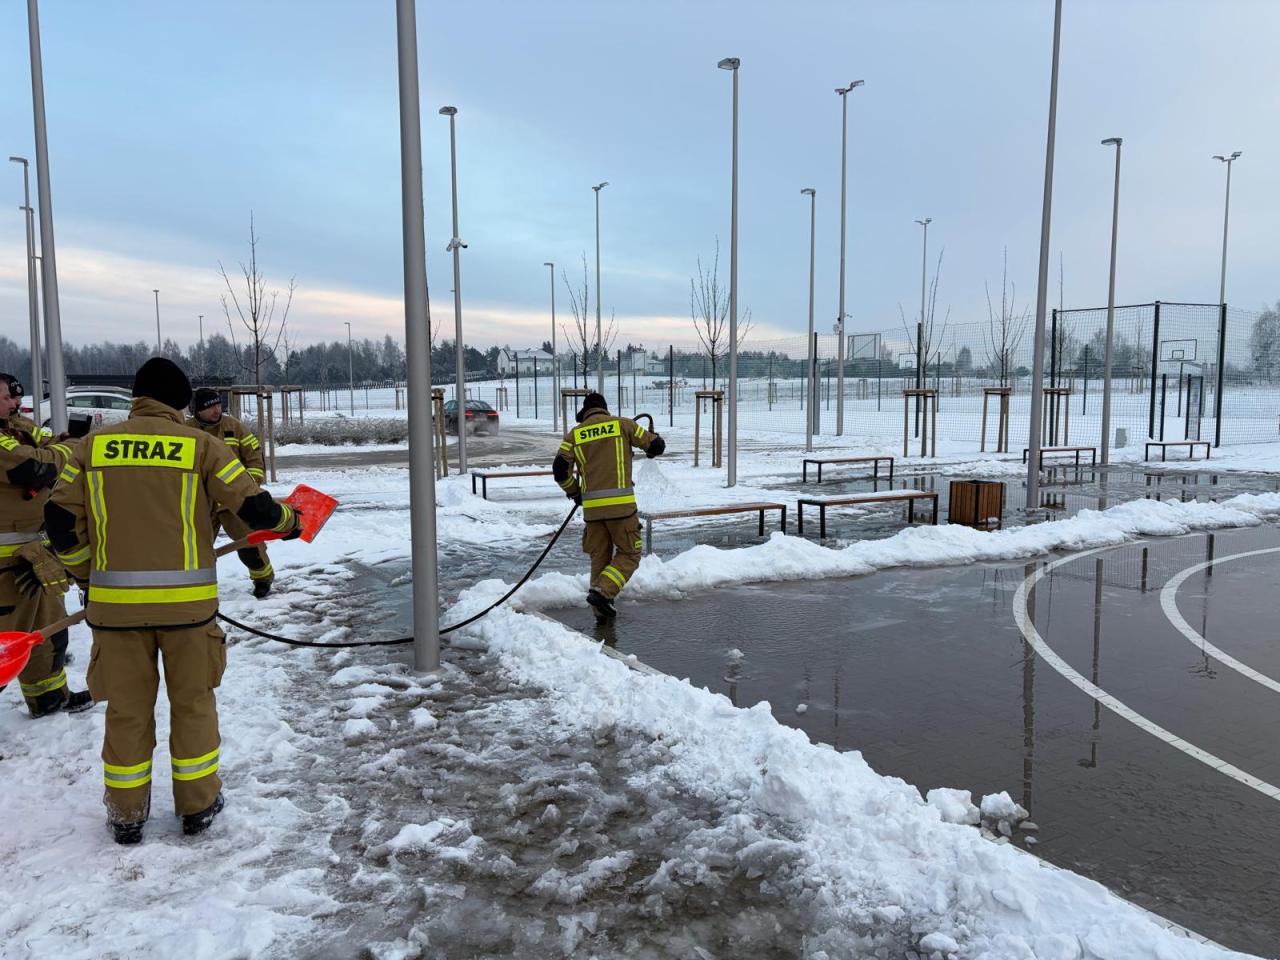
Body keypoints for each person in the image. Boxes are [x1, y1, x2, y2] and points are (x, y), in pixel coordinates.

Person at [45, 358, 301, 844]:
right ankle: (197, 807)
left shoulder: (90, 447)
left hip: (115, 611)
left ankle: (126, 814)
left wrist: (87, 574)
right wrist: (291, 520)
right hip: (188, 613)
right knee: (193, 705)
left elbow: (59, 521)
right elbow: (252, 505)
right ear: (180, 401)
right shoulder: (201, 446)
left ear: (137, 397)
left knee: (125, 711)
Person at [0, 372, 92, 717]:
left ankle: (49, 697)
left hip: (33, 554)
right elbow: (34, 467)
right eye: (8, 397)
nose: (14, 403)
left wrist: (62, 442)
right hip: (4, 565)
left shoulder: (18, 426)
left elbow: (47, 441)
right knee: (5, 644)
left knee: (47, 632)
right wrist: (67, 449)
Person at [552, 392, 664, 620]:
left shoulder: (574, 435)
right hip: (621, 509)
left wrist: (575, 493)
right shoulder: (623, 425)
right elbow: (657, 445)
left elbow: (559, 469)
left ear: (585, 412)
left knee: (599, 558)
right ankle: (603, 593)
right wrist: (653, 441)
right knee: (630, 554)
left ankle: (601, 610)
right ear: (605, 409)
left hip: (592, 512)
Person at [187, 387, 274, 598]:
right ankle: (193, 586)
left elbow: (254, 456)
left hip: (233, 501)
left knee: (250, 543)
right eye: (210, 407)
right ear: (197, 411)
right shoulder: (185, 429)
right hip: (200, 502)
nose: (217, 410)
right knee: (195, 547)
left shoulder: (234, 427)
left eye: (218, 405)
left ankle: (262, 579)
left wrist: (250, 486)